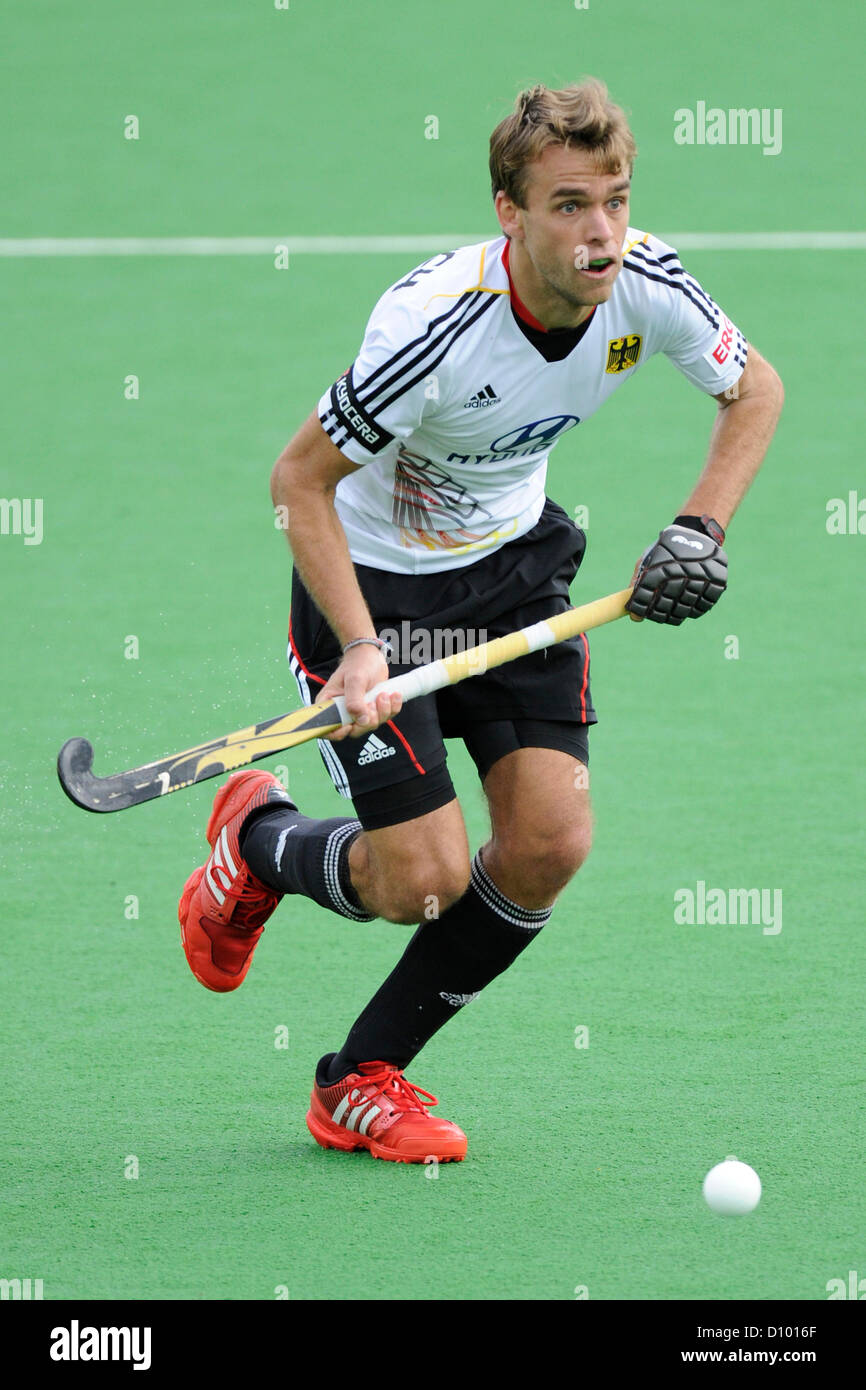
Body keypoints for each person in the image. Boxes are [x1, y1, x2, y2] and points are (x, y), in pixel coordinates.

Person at [179, 79, 783, 1164]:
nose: (599, 231)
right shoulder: (431, 329)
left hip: (510, 577)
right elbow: (296, 482)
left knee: (550, 840)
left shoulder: (643, 280)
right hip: (371, 592)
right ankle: (257, 844)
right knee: (420, 881)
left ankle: (361, 1078)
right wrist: (361, 646)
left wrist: (700, 526)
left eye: (613, 199)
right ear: (508, 213)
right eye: (566, 205)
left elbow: (755, 390)